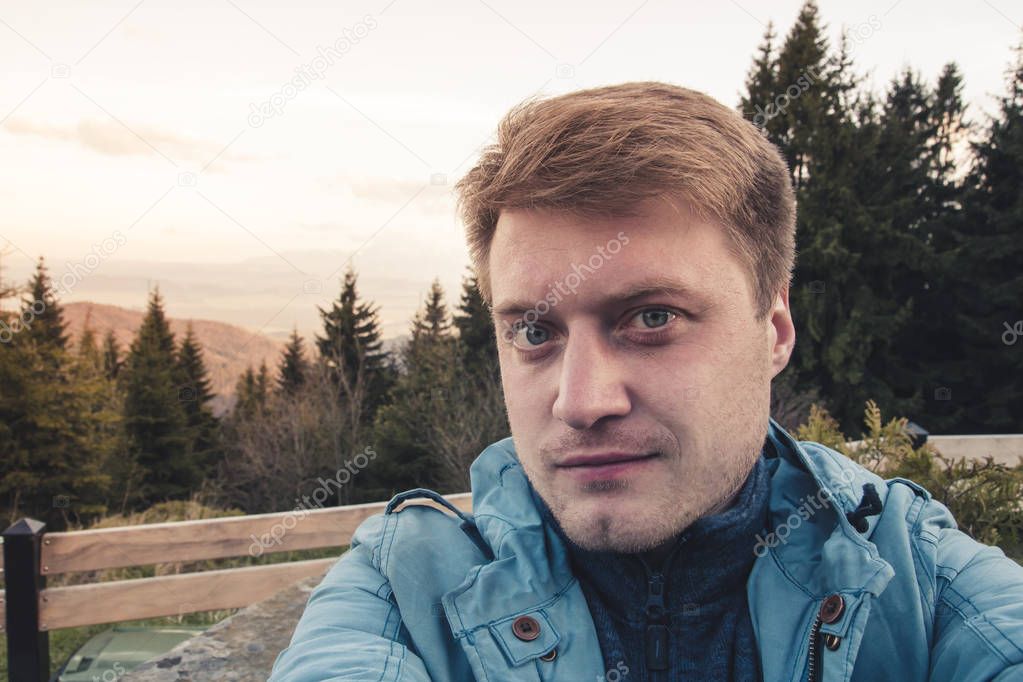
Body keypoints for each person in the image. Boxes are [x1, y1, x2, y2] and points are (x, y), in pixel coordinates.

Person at [269, 82, 1023, 681]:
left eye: (652, 318)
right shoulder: (404, 591)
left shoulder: (918, 580)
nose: (581, 401)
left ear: (775, 328)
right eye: (535, 332)